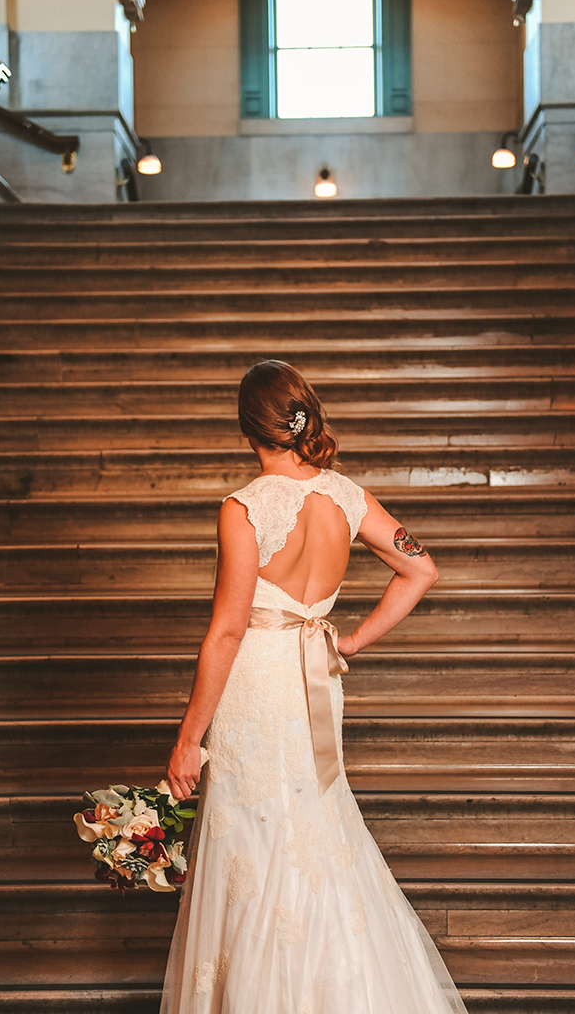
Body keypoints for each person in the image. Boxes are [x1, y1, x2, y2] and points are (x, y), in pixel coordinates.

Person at [160, 359, 468, 1014]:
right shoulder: (346, 495)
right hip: (312, 680)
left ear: (247, 429)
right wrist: (350, 640)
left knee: (252, 838)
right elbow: (421, 569)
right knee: (316, 829)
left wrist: (188, 740)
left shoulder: (243, 509)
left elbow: (225, 633)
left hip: (258, 687)